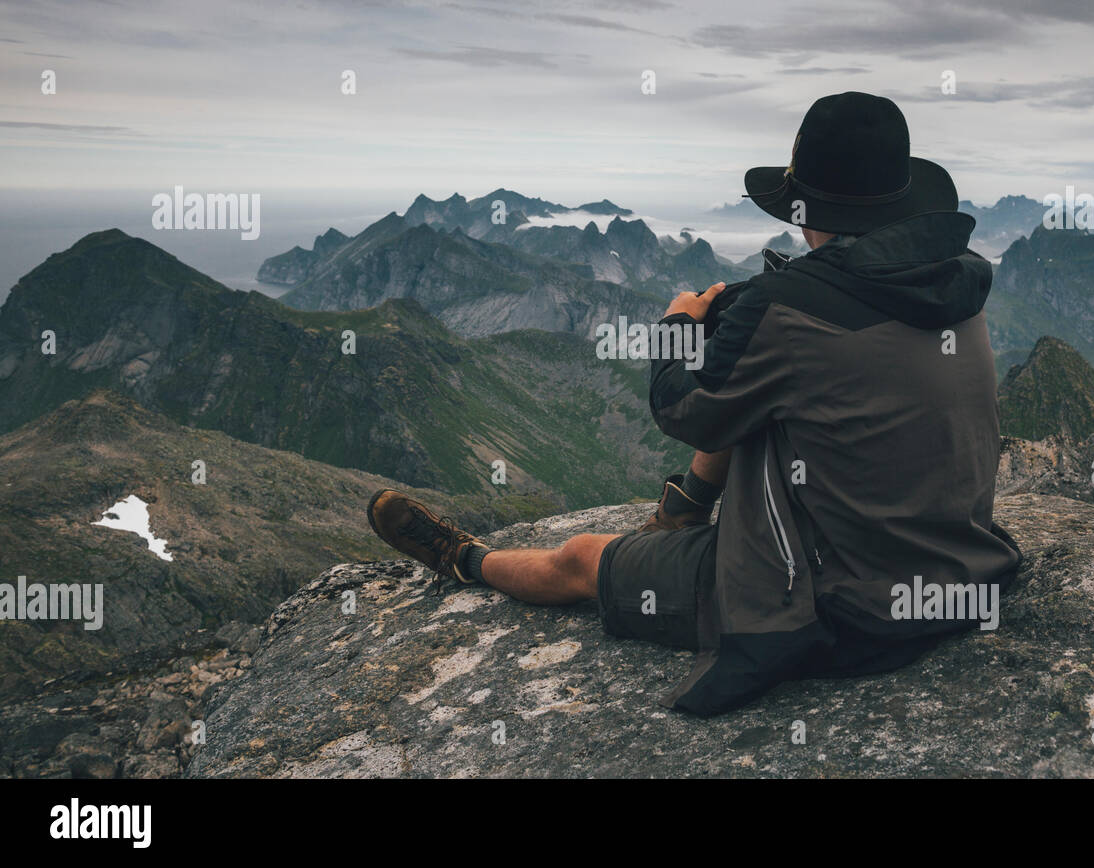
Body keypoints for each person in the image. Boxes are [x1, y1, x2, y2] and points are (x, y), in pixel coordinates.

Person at [368, 91, 1021, 716]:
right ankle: (679, 515)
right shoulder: (949, 278)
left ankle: (462, 559)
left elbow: (679, 406)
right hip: (960, 576)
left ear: (806, 207)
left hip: (842, 609)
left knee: (581, 560)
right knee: (760, 398)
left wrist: (680, 323)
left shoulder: (791, 312)